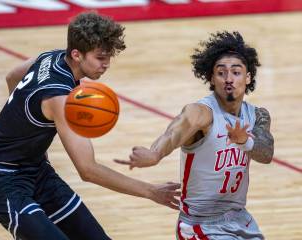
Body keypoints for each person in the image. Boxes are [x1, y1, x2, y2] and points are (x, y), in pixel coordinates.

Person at [0, 12, 180, 240]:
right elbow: (87, 170)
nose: (107, 64)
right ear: (77, 54)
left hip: (36, 170)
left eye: (109, 57)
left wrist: (24, 125)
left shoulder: (50, 57)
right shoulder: (59, 98)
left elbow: (12, 76)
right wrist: (151, 191)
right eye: (100, 58)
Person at [115, 31, 274, 239]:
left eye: (236, 72)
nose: (228, 79)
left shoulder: (257, 115)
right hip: (200, 225)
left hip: (240, 219)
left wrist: (244, 141)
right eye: (221, 73)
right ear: (211, 78)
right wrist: (155, 154)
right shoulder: (201, 112)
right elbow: (176, 130)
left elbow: (267, 154)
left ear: (248, 77)